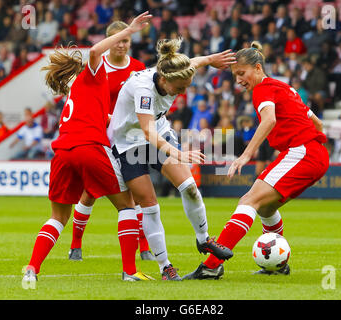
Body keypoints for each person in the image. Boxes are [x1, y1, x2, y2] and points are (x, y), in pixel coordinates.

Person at [22, 12, 155, 285]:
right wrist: (128, 30)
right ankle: (130, 271)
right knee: (128, 206)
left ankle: (32, 268)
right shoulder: (93, 73)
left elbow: (101, 117)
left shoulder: (76, 89)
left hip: (62, 151)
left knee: (58, 218)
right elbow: (95, 51)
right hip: (89, 147)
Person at [183, 41, 328, 280]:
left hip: (302, 152)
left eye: (241, 73)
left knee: (248, 200)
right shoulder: (285, 88)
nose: (238, 79)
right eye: (235, 75)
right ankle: (278, 264)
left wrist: (245, 155)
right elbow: (318, 124)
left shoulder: (262, 89)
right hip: (312, 153)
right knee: (267, 207)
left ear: (258, 68)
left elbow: (268, 120)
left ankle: (211, 266)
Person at [107, 38, 236, 280]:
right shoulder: (144, 89)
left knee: (189, 187)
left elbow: (193, 63)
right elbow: (147, 132)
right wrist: (178, 153)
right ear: (164, 80)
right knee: (150, 205)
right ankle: (165, 267)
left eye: (187, 86)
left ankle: (204, 239)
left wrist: (210, 59)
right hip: (129, 143)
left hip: (159, 132)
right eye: (179, 88)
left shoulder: (175, 70)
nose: (182, 92)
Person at [67, 20, 155, 263]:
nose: (122, 45)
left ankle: (144, 246)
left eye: (126, 41)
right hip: (101, 135)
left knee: (136, 191)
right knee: (90, 192)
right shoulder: (97, 67)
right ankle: (76, 244)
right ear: (108, 42)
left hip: (128, 137)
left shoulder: (138, 68)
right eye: (117, 41)